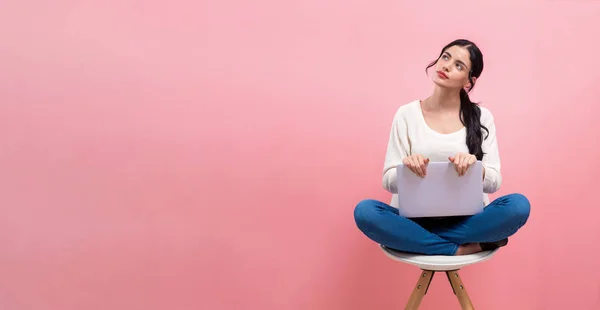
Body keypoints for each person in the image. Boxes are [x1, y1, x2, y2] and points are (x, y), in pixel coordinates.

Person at [353, 39, 530, 256]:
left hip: (466, 221)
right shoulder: (406, 114)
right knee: (365, 212)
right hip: (414, 221)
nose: (446, 65)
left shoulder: (483, 117)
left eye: (459, 65)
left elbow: (494, 181)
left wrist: (477, 168)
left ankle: (420, 242)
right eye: (445, 57)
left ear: (469, 81)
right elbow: (388, 180)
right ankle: (457, 249)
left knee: (518, 206)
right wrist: (406, 167)